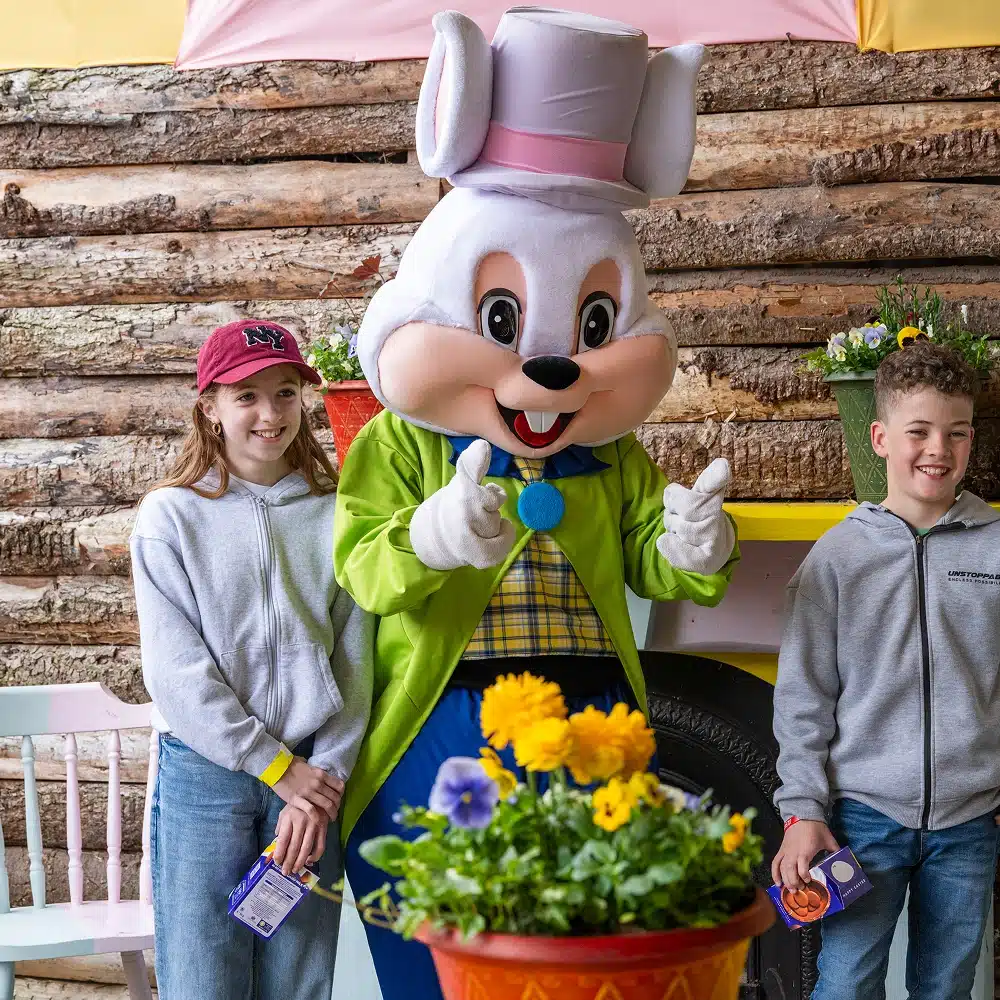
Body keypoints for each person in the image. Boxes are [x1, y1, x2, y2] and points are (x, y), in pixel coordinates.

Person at [331, 10, 738, 1000]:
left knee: (582, 939)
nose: (553, 364)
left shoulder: (611, 453)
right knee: (446, 937)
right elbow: (363, 566)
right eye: (503, 318)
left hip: (593, 708)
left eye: (596, 322)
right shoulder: (400, 443)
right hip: (446, 716)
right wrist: (430, 536)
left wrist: (692, 540)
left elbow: (652, 557)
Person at [130, 319, 374, 1000]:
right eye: (247, 396)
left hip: (311, 776)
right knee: (203, 979)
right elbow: (177, 673)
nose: (270, 414)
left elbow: (356, 658)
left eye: (286, 393)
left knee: (298, 978)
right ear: (209, 405)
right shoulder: (169, 517)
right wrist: (275, 768)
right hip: (207, 778)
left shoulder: (337, 514)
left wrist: (318, 780)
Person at [772, 340, 1000, 999]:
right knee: (845, 983)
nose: (938, 449)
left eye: (956, 433)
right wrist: (803, 811)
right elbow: (803, 697)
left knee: (948, 985)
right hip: (861, 820)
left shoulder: (993, 547)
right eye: (919, 431)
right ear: (879, 437)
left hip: (970, 822)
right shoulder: (837, 558)